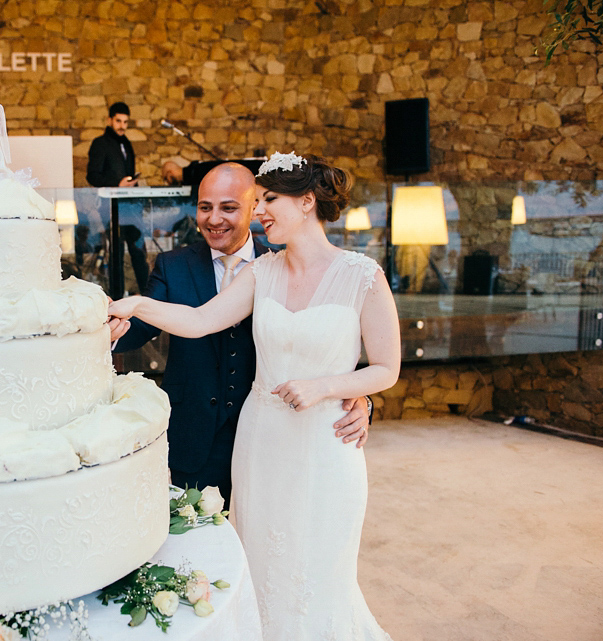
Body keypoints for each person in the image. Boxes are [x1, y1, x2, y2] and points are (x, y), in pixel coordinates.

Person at [109, 153, 400, 639]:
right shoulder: (262, 272)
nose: (259, 210)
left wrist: (332, 388)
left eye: (268, 200)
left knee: (322, 567)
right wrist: (138, 303)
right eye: (259, 199)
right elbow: (201, 321)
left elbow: (387, 368)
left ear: (307, 202)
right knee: (260, 557)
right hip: (262, 441)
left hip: (326, 445)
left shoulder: (363, 276)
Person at [110, 162, 371, 506]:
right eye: (205, 207)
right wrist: (99, 330)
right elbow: (151, 324)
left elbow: (331, 345)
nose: (214, 218)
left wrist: (360, 400)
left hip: (274, 438)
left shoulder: (282, 266)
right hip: (194, 439)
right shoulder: (173, 266)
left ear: (253, 208)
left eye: (229, 208)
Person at [86, 101, 149, 293]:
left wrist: (131, 184)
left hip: (130, 208)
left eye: (125, 122)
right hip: (111, 208)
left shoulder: (127, 144)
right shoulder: (100, 143)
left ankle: (149, 296)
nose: (122, 125)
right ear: (109, 120)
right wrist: (117, 183)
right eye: (119, 121)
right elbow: (92, 175)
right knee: (117, 255)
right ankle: (117, 298)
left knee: (139, 253)